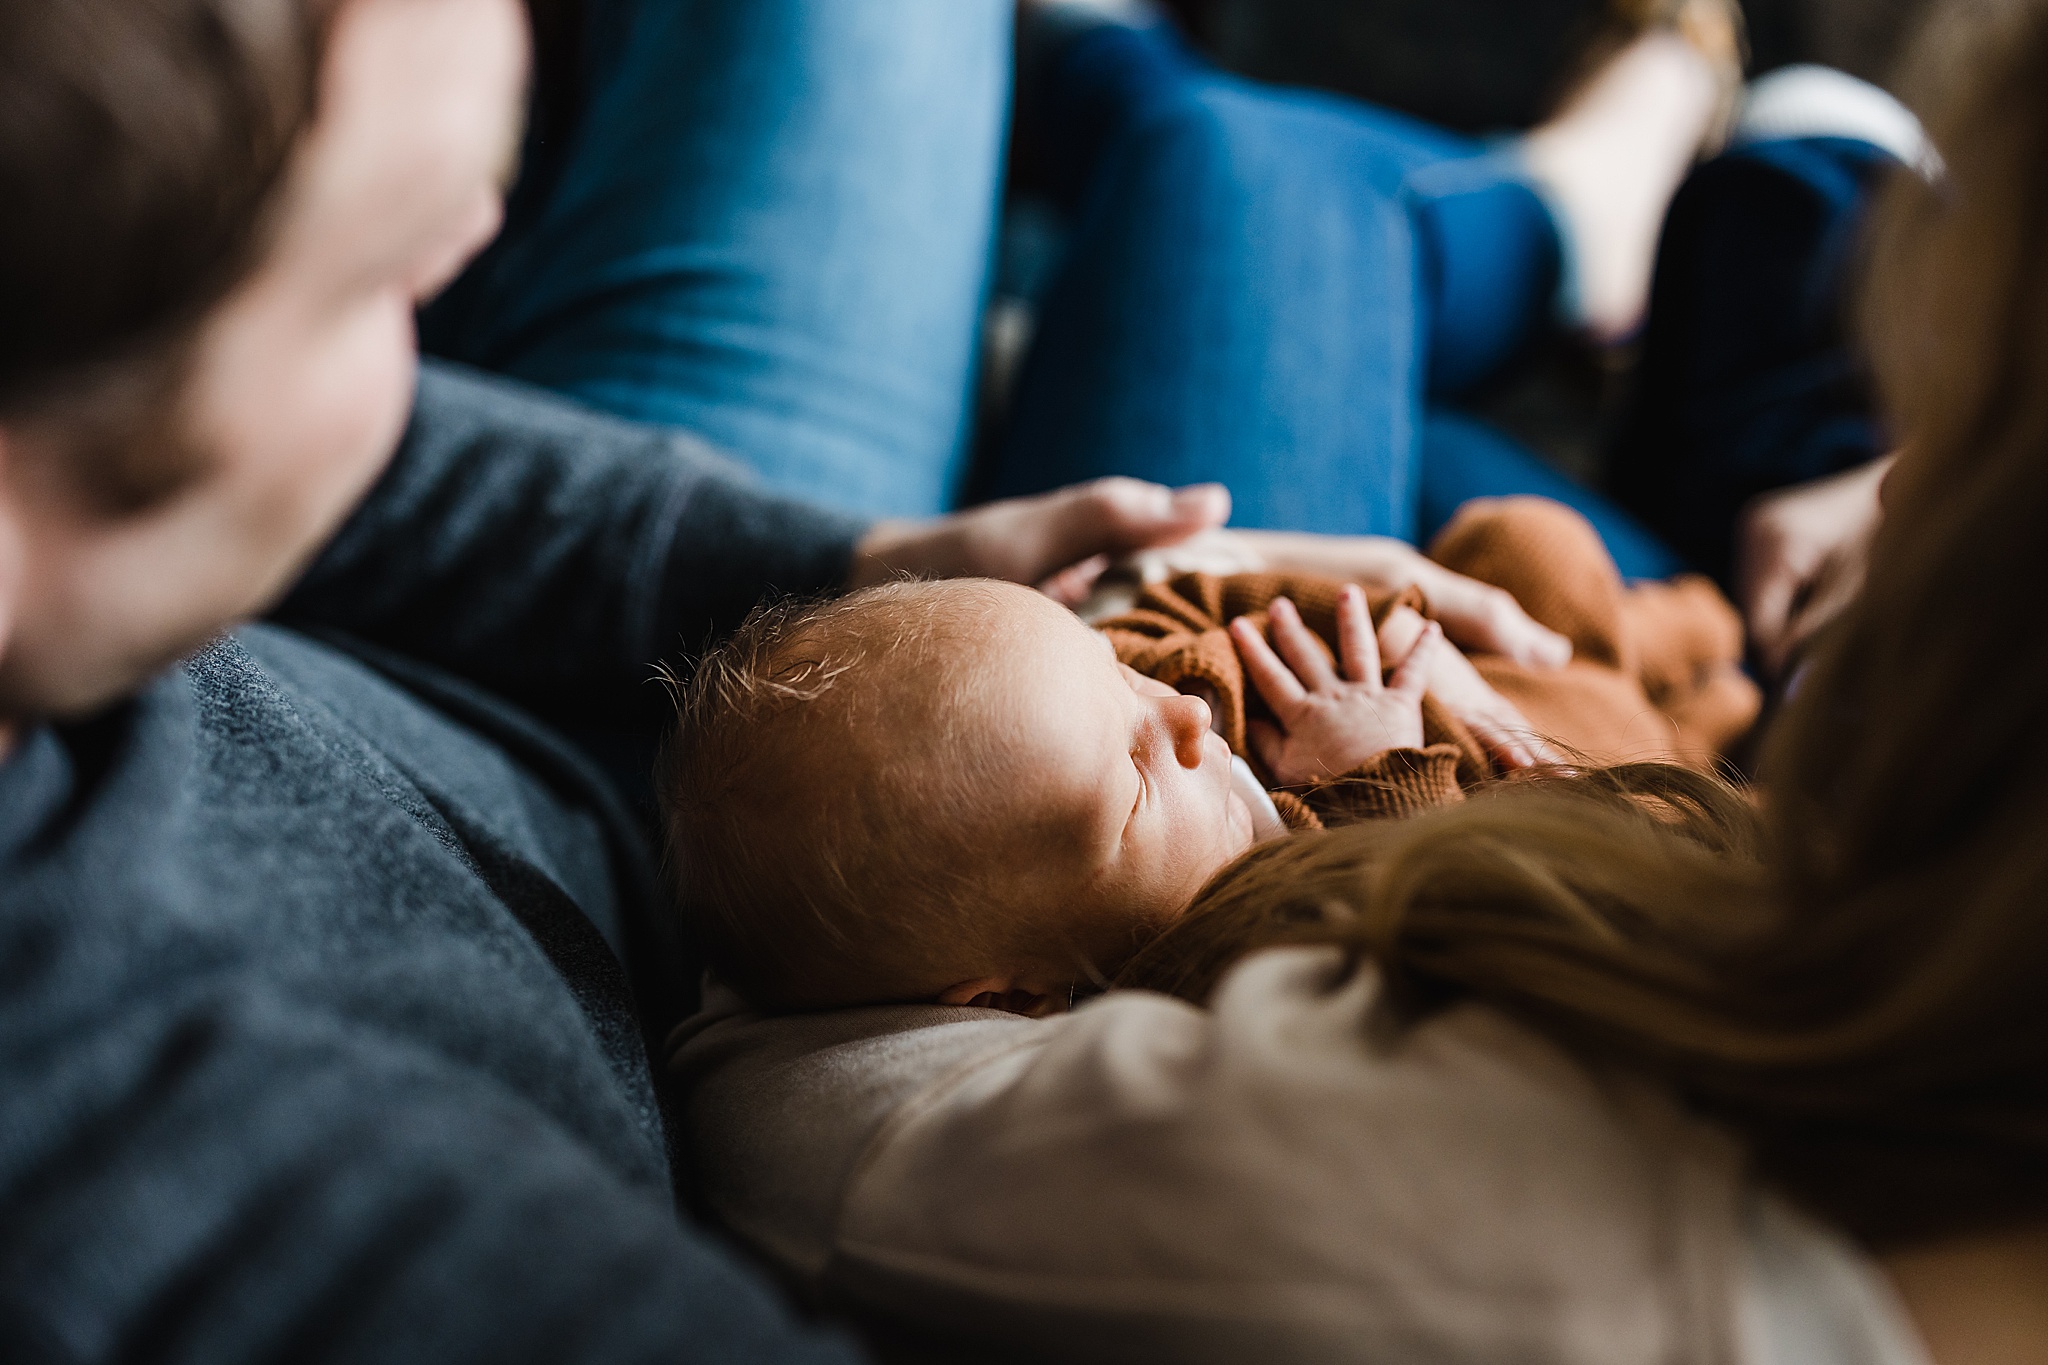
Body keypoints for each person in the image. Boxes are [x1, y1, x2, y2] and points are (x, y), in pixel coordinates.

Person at [0, 0, 1583, 1360]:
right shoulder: (190, 1207)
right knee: (1245, 188)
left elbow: (365, 464)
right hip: (818, 895)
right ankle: (1578, 201)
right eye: (386, 289)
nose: (460, 264)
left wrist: (878, 569)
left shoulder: (121, 483)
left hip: (730, 664)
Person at [674, 2, 2048, 1360]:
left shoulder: (1457, 1188)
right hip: (1617, 672)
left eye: (1959, 435)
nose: (1194, 711)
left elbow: (803, 1051)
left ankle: (1545, 199)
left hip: (1600, 695)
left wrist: (1146, 619)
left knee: (1234, 170)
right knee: (1313, 231)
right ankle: (1556, 206)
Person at [661, 496, 1756, 1017]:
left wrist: (1361, 618)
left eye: (1120, 675)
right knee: (1669, 758)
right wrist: (1375, 763)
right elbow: (1422, 919)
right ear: (1015, 992)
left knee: (1526, 541)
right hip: (1573, 772)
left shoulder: (1130, 687)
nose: (1183, 714)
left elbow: (1197, 601)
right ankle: (1705, 696)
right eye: (1135, 783)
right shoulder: (1211, 951)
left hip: (1474, 667)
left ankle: (1682, 635)